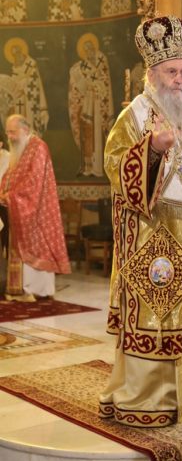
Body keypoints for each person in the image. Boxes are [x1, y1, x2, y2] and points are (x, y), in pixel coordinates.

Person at [99, 14, 182, 428]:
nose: (178, 80)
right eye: (171, 72)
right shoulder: (134, 116)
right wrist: (151, 148)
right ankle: (150, 397)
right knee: (157, 316)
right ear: (151, 73)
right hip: (154, 238)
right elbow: (114, 167)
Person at [0, 114, 70, 301]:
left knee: (35, 249)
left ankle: (36, 290)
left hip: (37, 212)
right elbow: (10, 175)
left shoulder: (38, 147)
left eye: (13, 132)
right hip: (18, 209)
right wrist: (3, 192)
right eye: (7, 132)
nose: (9, 137)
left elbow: (34, 181)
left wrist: (10, 196)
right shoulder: (20, 149)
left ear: (25, 130)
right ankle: (19, 289)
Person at [68, 33, 114, 177]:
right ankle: (88, 167)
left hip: (99, 104)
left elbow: (105, 82)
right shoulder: (81, 66)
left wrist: (95, 86)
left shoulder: (101, 60)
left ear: (95, 47)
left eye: (90, 47)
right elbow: (77, 87)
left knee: (99, 132)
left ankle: (99, 167)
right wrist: (82, 85)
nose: (88, 51)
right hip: (87, 103)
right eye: (86, 49)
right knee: (87, 132)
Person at [4, 37, 49, 137]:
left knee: (30, 129)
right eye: (14, 54)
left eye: (18, 52)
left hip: (29, 105)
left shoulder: (31, 67)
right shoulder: (12, 70)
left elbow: (37, 88)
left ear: (22, 52)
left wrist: (24, 86)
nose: (17, 56)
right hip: (17, 106)